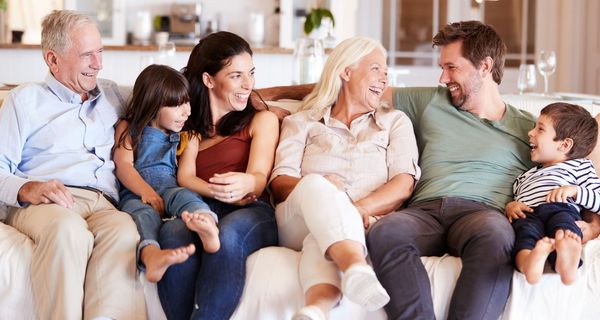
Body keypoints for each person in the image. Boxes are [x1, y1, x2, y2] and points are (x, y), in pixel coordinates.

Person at [0, 10, 144, 320]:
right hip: (48, 201)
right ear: (53, 59)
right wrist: (26, 188)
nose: (99, 63)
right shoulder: (23, 101)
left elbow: (170, 96)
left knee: (125, 232)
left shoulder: (112, 92)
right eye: (87, 55)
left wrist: (260, 96)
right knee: (69, 232)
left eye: (100, 52)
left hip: (104, 205)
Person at [269, 36, 420, 320]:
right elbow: (279, 184)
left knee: (325, 232)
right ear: (346, 72)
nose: (384, 78)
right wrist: (324, 190)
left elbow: (403, 184)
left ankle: (314, 310)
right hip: (297, 218)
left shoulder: (395, 122)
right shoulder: (301, 122)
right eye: (376, 68)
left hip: (360, 219)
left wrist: (353, 209)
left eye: (386, 72)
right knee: (316, 185)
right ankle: (354, 266)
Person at [156, 31, 279, 320]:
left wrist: (249, 182)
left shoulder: (262, 120)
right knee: (173, 232)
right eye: (236, 75)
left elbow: (260, 175)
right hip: (199, 208)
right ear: (209, 80)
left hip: (251, 210)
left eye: (250, 73)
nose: (248, 84)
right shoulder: (187, 127)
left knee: (228, 235)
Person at [114, 64, 220, 283]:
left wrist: (215, 191)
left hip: (171, 189)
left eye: (187, 102)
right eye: (177, 105)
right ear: (152, 105)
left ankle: (207, 226)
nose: (187, 111)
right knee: (143, 217)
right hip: (136, 194)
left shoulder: (186, 136)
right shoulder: (128, 128)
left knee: (187, 198)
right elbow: (123, 165)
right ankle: (152, 255)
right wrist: (146, 192)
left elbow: (186, 178)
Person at [506, 102, 600, 285]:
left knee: (565, 229)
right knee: (524, 236)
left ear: (564, 145)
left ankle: (566, 264)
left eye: (540, 129)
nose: (530, 133)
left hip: (561, 209)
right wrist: (511, 206)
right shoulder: (526, 175)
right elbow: (515, 198)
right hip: (529, 214)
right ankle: (529, 263)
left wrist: (576, 192)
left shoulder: (581, 167)